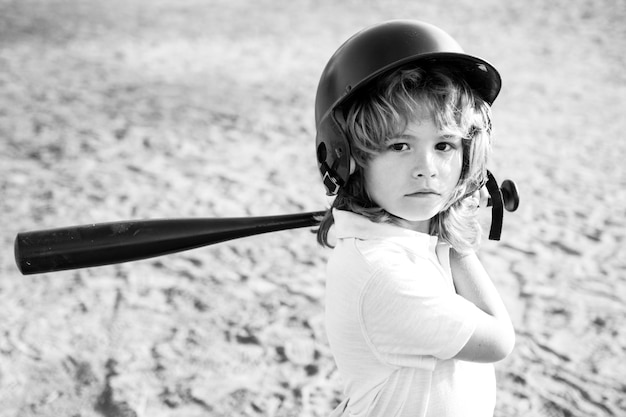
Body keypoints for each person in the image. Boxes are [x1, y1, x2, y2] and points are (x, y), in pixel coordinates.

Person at [313, 20, 515, 417]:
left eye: (444, 144)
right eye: (399, 144)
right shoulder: (381, 274)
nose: (427, 168)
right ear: (347, 157)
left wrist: (444, 221)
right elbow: (498, 341)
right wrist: (455, 230)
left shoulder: (405, 240)